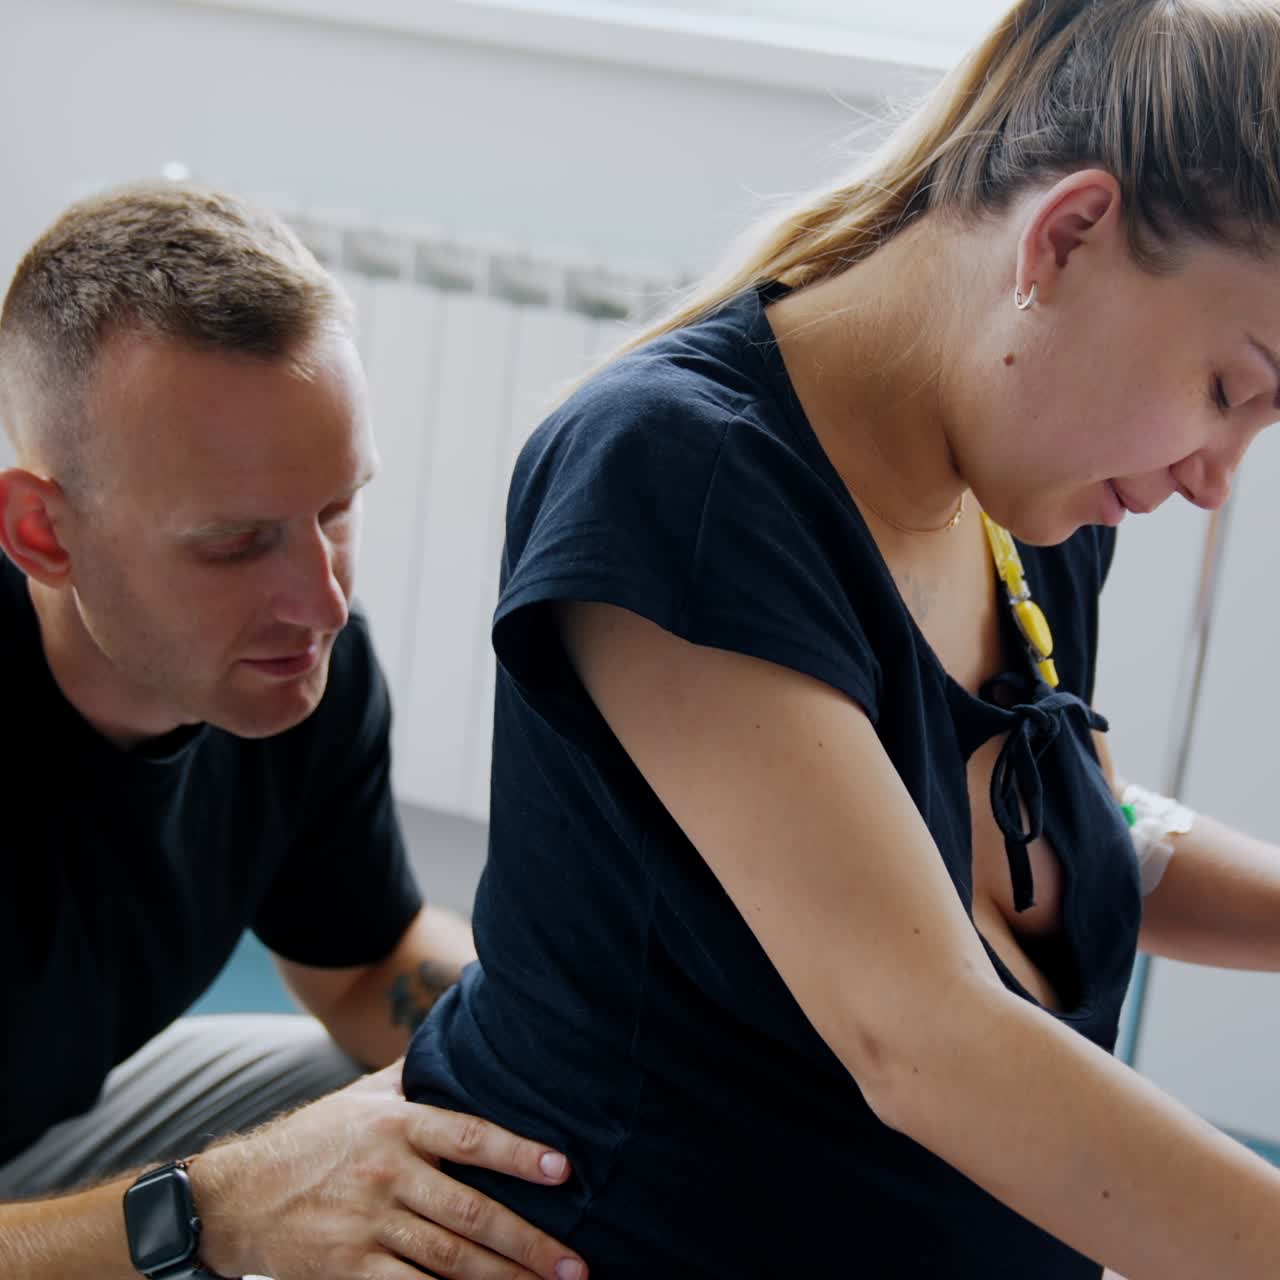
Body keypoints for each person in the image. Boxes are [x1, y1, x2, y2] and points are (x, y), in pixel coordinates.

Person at [403, 0, 1280, 1275]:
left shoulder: (1023, 485)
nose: (1213, 480)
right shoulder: (679, 476)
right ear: (1068, 235)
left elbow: (1046, 812)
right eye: (1224, 391)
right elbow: (920, 1037)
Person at [0, 183, 588, 1280]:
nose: (319, 602)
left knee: (434, 1125)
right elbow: (215, 1208)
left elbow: (366, 964)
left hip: (51, 1143)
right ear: (44, 532)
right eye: (234, 544)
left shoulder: (298, 675)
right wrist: (208, 1208)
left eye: (336, 511)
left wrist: (592, 1040)